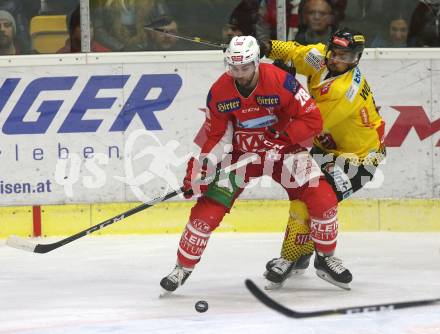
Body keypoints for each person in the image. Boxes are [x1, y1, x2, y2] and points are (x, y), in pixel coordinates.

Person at [160, 35, 350, 293]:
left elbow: (312, 119)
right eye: (233, 68)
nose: (239, 74)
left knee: (322, 197)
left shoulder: (282, 82)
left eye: (245, 67)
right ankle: (182, 267)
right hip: (241, 157)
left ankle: (326, 259)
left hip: (284, 151)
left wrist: (283, 137)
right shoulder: (219, 91)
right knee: (208, 210)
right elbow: (214, 134)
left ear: (256, 62)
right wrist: (199, 171)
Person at [260, 28, 385, 290]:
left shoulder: (345, 91)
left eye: (345, 56)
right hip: (324, 149)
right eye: (334, 52)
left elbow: (309, 122)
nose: (336, 59)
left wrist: (281, 93)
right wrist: (265, 47)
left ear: (356, 59)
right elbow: (294, 52)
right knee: (304, 195)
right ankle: (300, 255)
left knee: (313, 199)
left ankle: (306, 258)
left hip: (357, 159)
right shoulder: (320, 57)